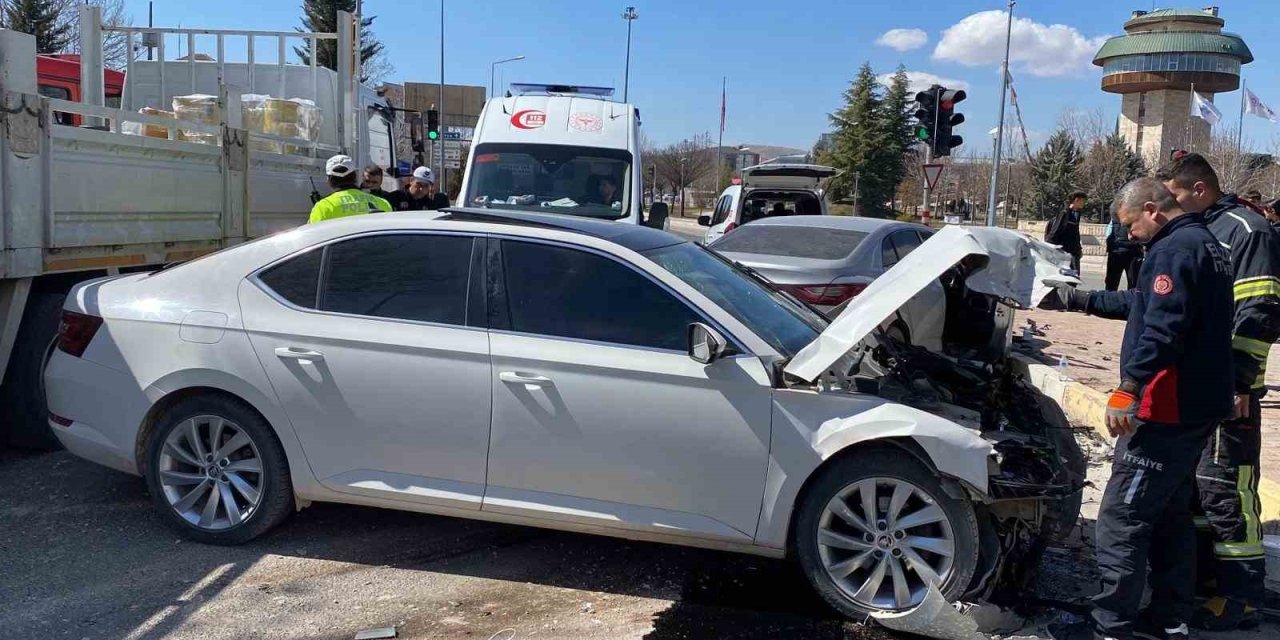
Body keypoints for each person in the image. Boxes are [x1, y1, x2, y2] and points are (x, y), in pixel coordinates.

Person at [1044, 177, 1234, 640]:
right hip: (1197, 405)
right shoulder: (1204, 243)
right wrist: (1082, 299)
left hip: (1168, 407)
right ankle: (1170, 619)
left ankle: (1109, 625)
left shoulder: (1174, 250)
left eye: (1130, 225)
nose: (1128, 235)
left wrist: (1129, 386)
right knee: (1169, 514)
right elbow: (1144, 303)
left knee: (1122, 515)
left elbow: (1164, 329)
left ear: (1152, 209)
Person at [1155, 152, 1280, 629]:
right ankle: (1207, 581)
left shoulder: (1245, 232)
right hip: (1196, 388)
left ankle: (1241, 596)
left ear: (1200, 189)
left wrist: (1239, 380)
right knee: (1200, 491)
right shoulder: (1203, 231)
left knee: (1228, 490)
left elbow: (1259, 312)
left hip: (1230, 390)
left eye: (1177, 196)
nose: (1171, 205)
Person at [308, 155, 392, 224]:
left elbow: (312, 238)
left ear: (329, 180)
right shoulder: (383, 203)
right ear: (355, 176)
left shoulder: (323, 207)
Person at [1046, 191, 1087, 272]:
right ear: (1076, 200)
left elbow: (1076, 232)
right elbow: (1055, 230)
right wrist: (1050, 247)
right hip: (1065, 250)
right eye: (1082, 200)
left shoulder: (1077, 213)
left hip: (1074, 251)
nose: (1084, 203)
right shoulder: (1064, 213)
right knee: (1068, 276)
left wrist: (1079, 249)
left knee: (1075, 275)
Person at [1104, 217, 1143, 291]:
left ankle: (1132, 300)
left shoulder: (1136, 216)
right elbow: (1108, 233)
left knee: (1133, 282)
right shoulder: (1114, 218)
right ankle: (1110, 299)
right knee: (1111, 282)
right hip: (1116, 253)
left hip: (1132, 253)